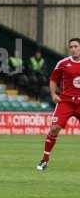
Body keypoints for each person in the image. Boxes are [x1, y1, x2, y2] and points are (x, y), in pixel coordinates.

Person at [37, 38, 80, 171]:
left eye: (76, 46)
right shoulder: (63, 63)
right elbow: (53, 79)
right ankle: (45, 160)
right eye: (71, 47)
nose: (73, 49)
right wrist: (53, 94)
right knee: (54, 128)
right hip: (66, 102)